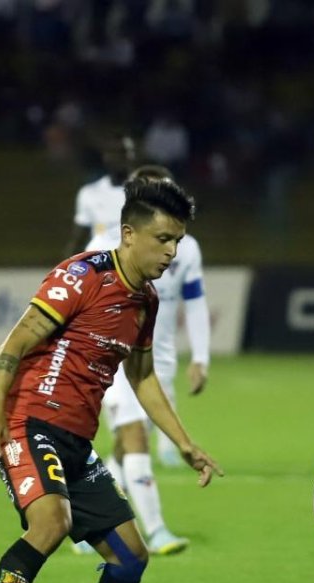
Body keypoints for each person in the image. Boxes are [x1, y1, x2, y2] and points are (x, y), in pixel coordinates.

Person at [0, 177, 222, 583]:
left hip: (76, 440)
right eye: (164, 239)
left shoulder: (147, 302)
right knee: (52, 523)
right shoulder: (82, 276)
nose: (172, 252)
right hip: (28, 423)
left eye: (178, 241)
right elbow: (14, 344)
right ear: (128, 234)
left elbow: (142, 378)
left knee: (131, 557)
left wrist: (184, 443)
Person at [80, 164, 211, 556]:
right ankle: (155, 531)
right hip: (112, 361)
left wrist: (201, 356)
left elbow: (196, 301)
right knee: (134, 435)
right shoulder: (102, 247)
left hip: (156, 362)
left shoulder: (184, 248)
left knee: (125, 446)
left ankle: (85, 521)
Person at [64, 134, 135, 257]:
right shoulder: (89, 193)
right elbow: (79, 239)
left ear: (132, 156)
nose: (119, 158)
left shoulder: (149, 191)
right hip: (100, 267)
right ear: (105, 157)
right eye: (113, 153)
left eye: (123, 152)